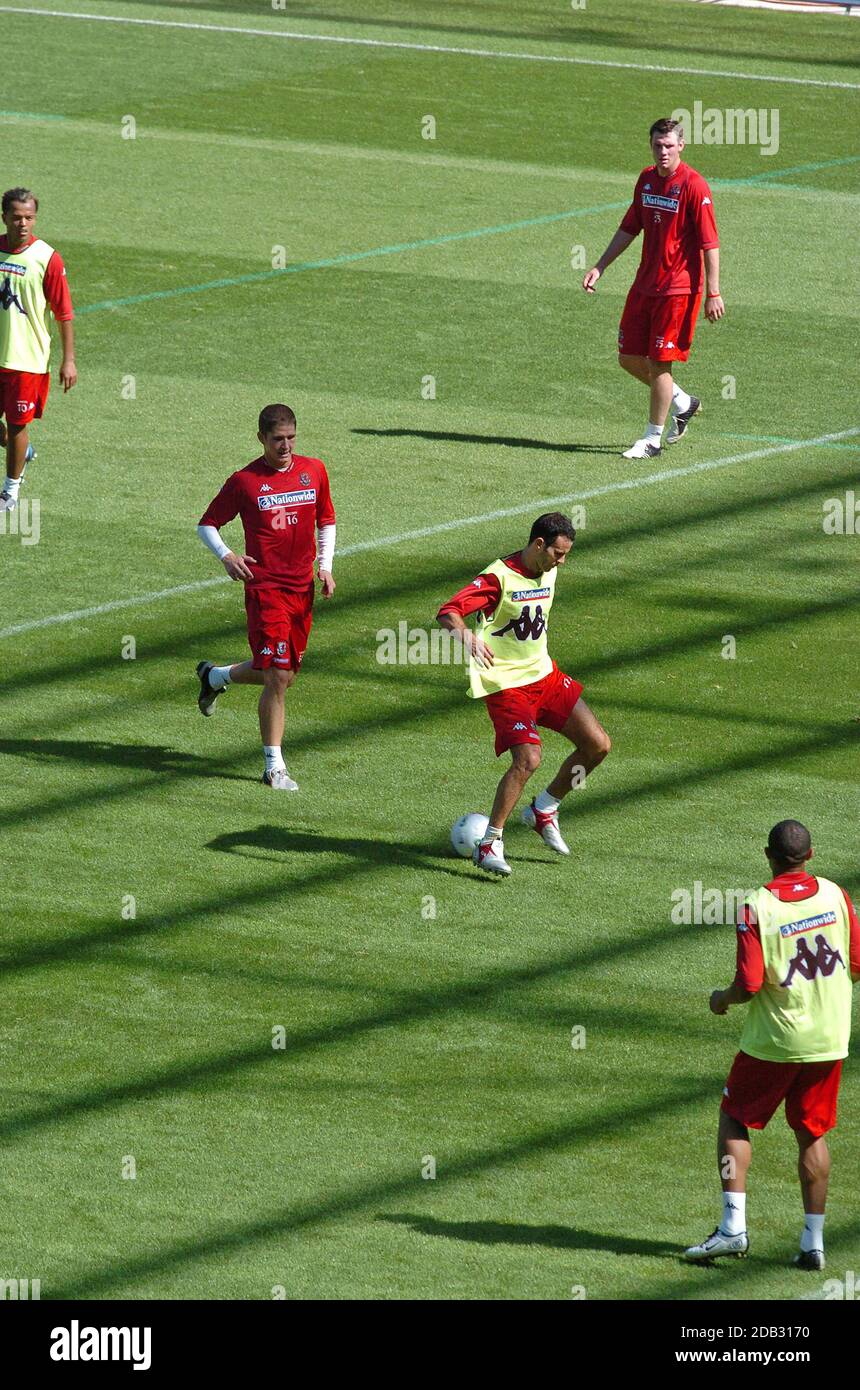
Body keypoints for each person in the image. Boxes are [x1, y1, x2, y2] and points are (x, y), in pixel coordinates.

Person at [684, 820, 860, 1269]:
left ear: (768, 855)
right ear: (811, 855)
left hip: (775, 1041)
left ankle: (732, 1229)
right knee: (811, 1133)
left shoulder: (755, 906)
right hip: (830, 1039)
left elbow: (749, 982)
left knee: (734, 1118)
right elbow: (857, 965)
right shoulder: (836, 895)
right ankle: (813, 1243)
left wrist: (720, 1000)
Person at [436, 512, 611, 876]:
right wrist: (466, 636)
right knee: (528, 759)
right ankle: (490, 844)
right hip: (505, 684)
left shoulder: (549, 569)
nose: (561, 562)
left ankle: (544, 808)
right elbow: (448, 612)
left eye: (566, 555)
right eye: (558, 554)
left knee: (597, 745)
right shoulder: (497, 577)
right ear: (538, 544)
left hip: (544, 676)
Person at [195, 404, 336, 790]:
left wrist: (325, 566)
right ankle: (274, 766)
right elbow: (207, 524)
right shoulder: (245, 481)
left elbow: (326, 519)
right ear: (261, 439)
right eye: (278, 440)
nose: (286, 446)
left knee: (284, 674)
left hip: (301, 589)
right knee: (276, 676)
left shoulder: (314, 470)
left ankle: (216, 676)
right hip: (265, 589)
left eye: (291, 438)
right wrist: (227, 555)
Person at [582, 118, 722, 460]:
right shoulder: (645, 180)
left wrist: (713, 292)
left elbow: (710, 243)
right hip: (645, 285)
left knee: (660, 363)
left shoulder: (694, 186)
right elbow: (630, 228)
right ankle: (682, 402)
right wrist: (600, 266)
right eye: (658, 145)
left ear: (681, 146)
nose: (663, 151)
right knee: (628, 357)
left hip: (678, 290)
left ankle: (652, 440)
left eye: (669, 145)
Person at [0, 187, 77, 511]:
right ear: (4, 217)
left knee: (19, 425)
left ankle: (10, 491)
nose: (23, 224)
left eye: (29, 217)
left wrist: (68, 359)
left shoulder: (47, 258)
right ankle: (21, 452)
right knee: (13, 433)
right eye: (16, 217)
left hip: (26, 360)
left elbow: (64, 312)